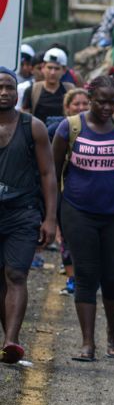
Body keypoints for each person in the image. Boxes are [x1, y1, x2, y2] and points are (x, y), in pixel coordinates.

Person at [52, 75, 114, 361]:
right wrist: (52, 215)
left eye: (113, 101)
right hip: (78, 211)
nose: (108, 107)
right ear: (90, 97)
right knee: (86, 275)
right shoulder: (70, 127)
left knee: (112, 277)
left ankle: (113, 332)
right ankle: (88, 343)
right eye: (102, 101)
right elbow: (53, 171)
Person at [0, 68, 57, 364]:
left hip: (23, 212)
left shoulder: (31, 126)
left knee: (16, 274)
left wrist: (50, 219)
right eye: (0, 88)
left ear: (17, 92)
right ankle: (7, 338)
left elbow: (48, 174)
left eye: (9, 87)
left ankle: (12, 339)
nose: (4, 92)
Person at [24, 47, 74, 135]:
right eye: (49, 68)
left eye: (57, 68)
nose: (52, 72)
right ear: (43, 68)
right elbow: (25, 117)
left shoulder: (70, 90)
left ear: (64, 70)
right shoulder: (32, 90)